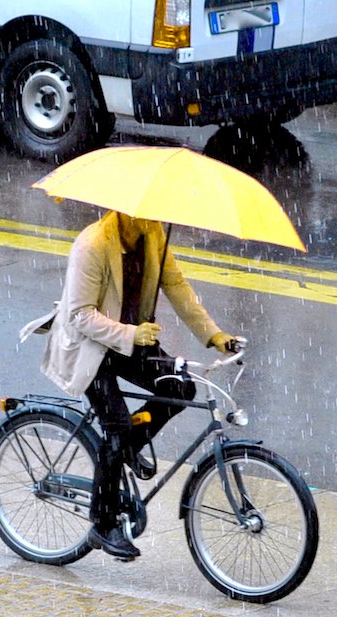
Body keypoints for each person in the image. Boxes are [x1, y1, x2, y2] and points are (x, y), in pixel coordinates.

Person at [33, 211, 235, 560]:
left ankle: (126, 447)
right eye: (148, 213)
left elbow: (175, 285)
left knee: (179, 388)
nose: (156, 218)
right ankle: (103, 523)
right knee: (117, 428)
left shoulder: (153, 234)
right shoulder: (92, 244)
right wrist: (131, 332)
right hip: (89, 346)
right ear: (125, 210)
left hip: (130, 340)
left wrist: (213, 334)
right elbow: (80, 315)